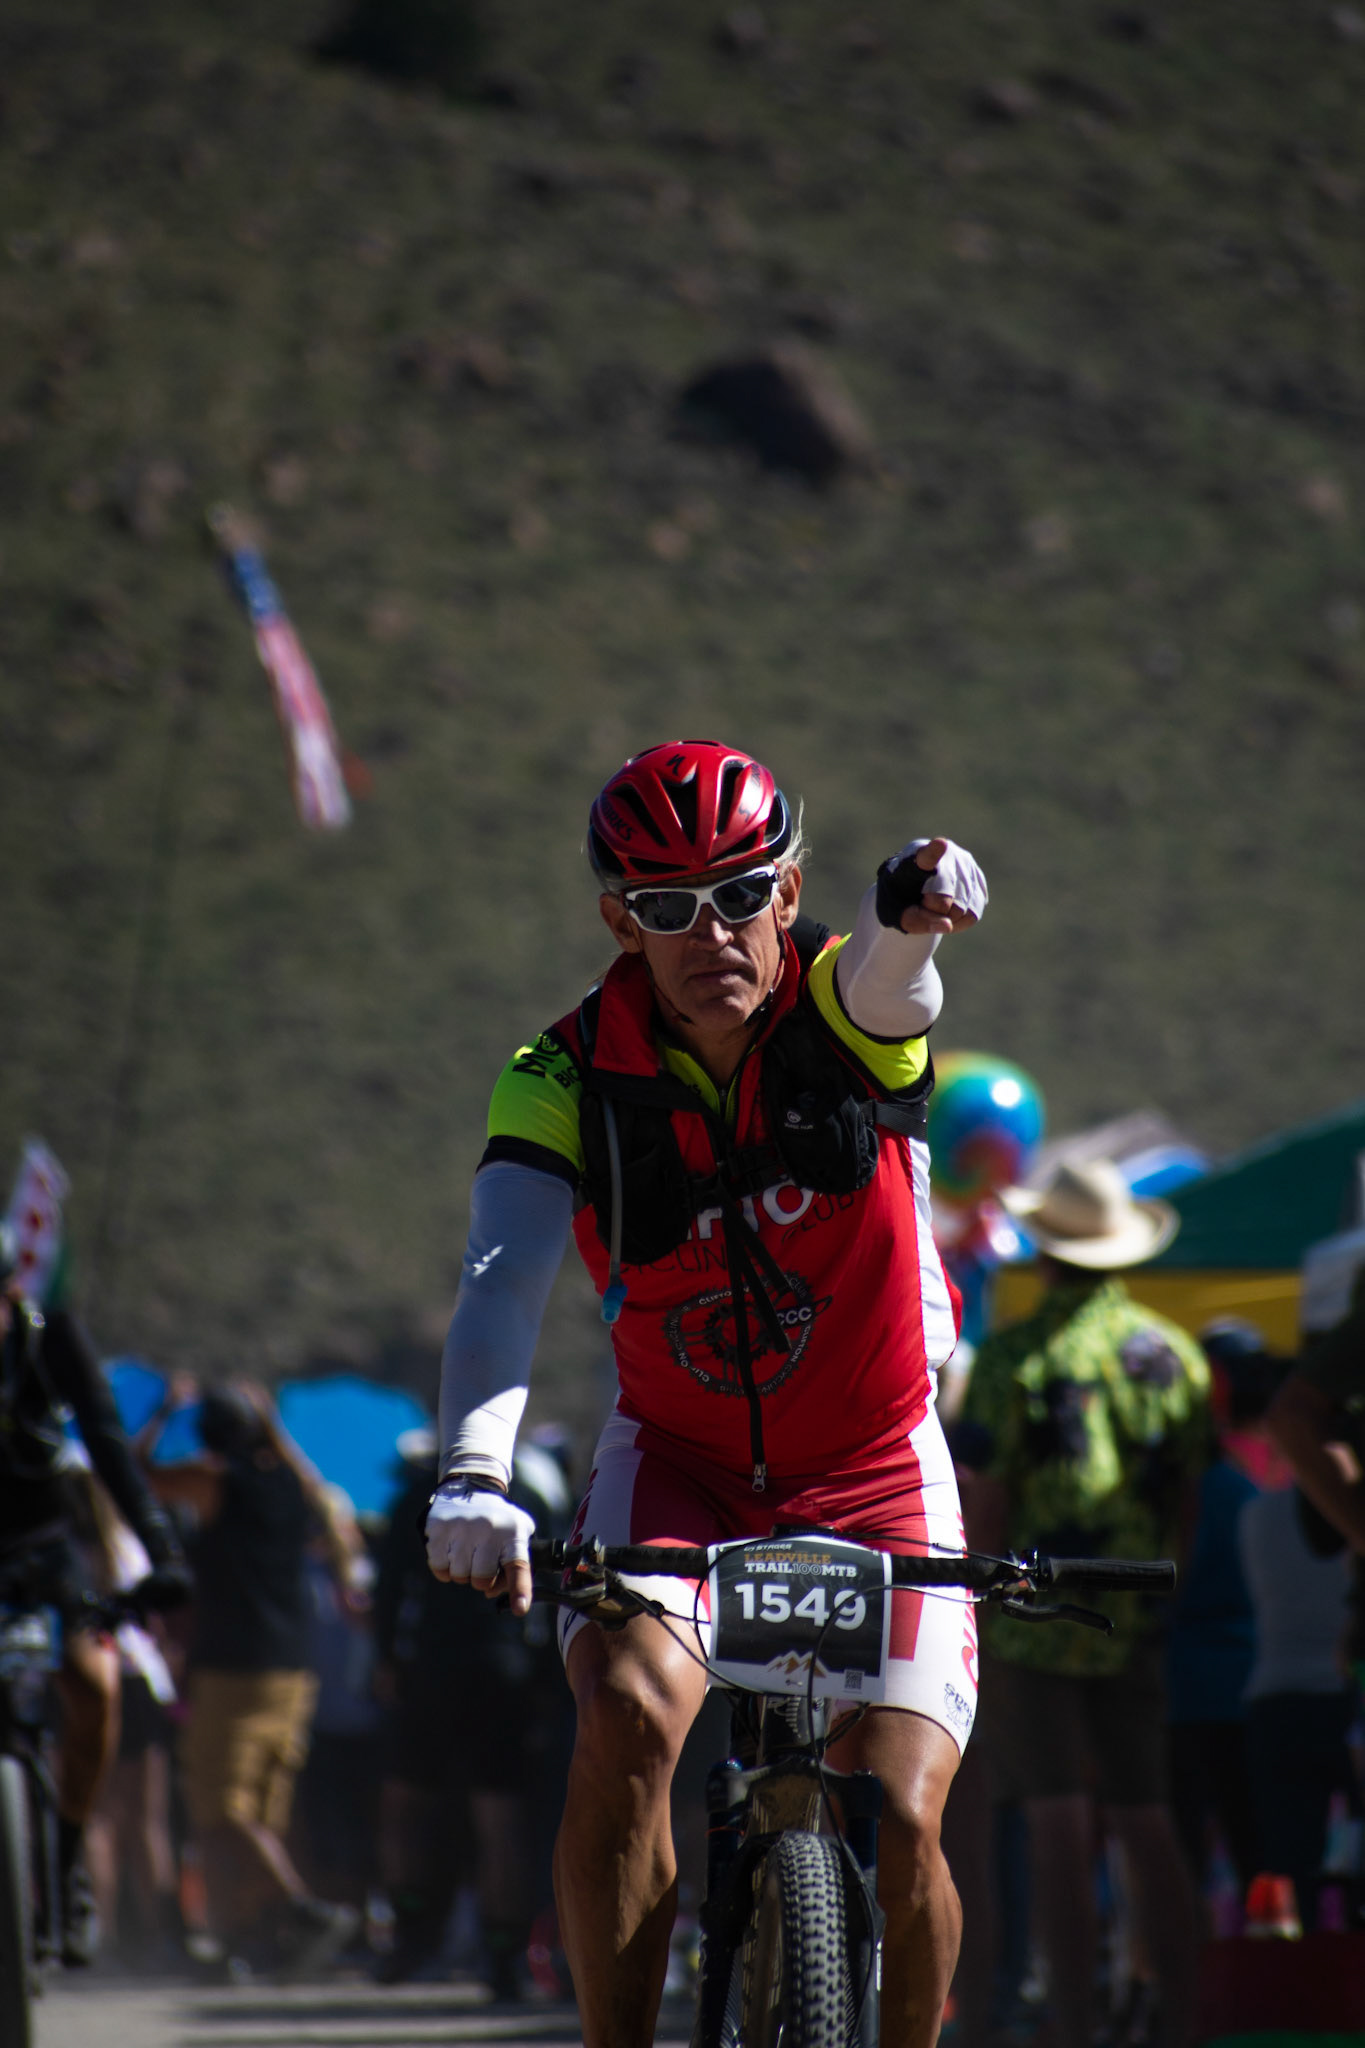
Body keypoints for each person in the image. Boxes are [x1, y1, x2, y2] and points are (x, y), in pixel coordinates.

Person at [424, 739, 988, 2048]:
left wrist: (907, 909)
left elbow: (892, 979)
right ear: (620, 919)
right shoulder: (560, 1073)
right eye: (667, 906)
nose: (709, 932)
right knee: (624, 1714)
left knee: (906, 1817)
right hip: (678, 1464)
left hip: (875, 1461)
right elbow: (502, 1281)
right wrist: (472, 1477)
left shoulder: (842, 1010)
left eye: (739, 895)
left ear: (788, 893)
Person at [959, 1157, 1210, 2048]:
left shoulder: (1014, 1358)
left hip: (1034, 1619)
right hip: (1136, 1612)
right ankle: (1182, 2024)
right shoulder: (1173, 1356)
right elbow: (1187, 1495)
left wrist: (982, 1606)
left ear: (1046, 1250)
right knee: (1148, 1821)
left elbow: (987, 1496)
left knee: (1055, 1822)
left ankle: (1071, 2025)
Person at [0, 1220, 190, 1966]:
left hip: (43, 1551)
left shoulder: (51, 1339)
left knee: (95, 1685)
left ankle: (68, 1857)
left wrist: (163, 1555)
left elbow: (110, 1446)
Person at [143, 1379, 362, 1980]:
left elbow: (139, 1473)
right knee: (260, 1813)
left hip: (232, 1669)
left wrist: (162, 1412)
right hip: (292, 1670)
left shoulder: (215, 1481)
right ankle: (241, 1939)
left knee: (219, 1806)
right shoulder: (290, 1484)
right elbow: (316, 1489)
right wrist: (276, 1428)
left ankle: (302, 1908)